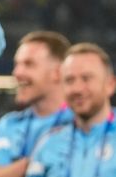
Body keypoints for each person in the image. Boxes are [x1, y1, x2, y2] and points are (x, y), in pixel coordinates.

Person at [0, 31, 73, 177]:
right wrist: (32, 165)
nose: (17, 72)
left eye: (29, 64)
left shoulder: (80, 124)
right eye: (17, 64)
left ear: (58, 72)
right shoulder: (8, 124)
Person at [26, 42, 116, 176]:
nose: (77, 89)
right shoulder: (49, 141)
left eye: (86, 78)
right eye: (69, 80)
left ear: (110, 84)